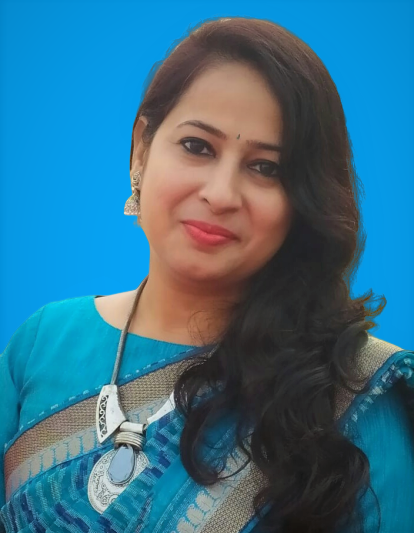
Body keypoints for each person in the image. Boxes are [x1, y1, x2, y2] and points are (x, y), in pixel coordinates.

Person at [1, 15, 413, 533]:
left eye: (266, 168)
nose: (220, 194)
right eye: (198, 146)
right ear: (141, 147)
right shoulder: (42, 344)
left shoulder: (354, 394)